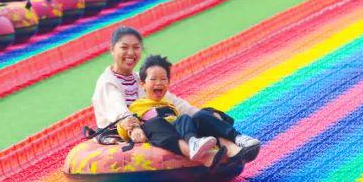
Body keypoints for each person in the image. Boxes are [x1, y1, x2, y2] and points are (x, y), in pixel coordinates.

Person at [91, 28, 260, 160]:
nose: (131, 53)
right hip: (128, 130)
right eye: (124, 48)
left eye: (136, 48)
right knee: (158, 123)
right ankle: (204, 155)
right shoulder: (108, 82)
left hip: (154, 122)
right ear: (112, 50)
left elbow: (172, 102)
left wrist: (202, 114)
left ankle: (234, 147)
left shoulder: (140, 79)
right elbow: (119, 111)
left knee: (198, 117)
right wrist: (134, 127)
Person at [124, 55, 247, 166]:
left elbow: (189, 114)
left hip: (178, 133)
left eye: (163, 79)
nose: (159, 83)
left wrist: (211, 116)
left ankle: (203, 142)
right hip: (159, 135)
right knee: (155, 123)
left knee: (187, 118)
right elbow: (127, 123)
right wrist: (133, 130)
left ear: (168, 82)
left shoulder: (171, 105)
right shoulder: (137, 106)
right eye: (153, 79)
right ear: (143, 84)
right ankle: (197, 153)